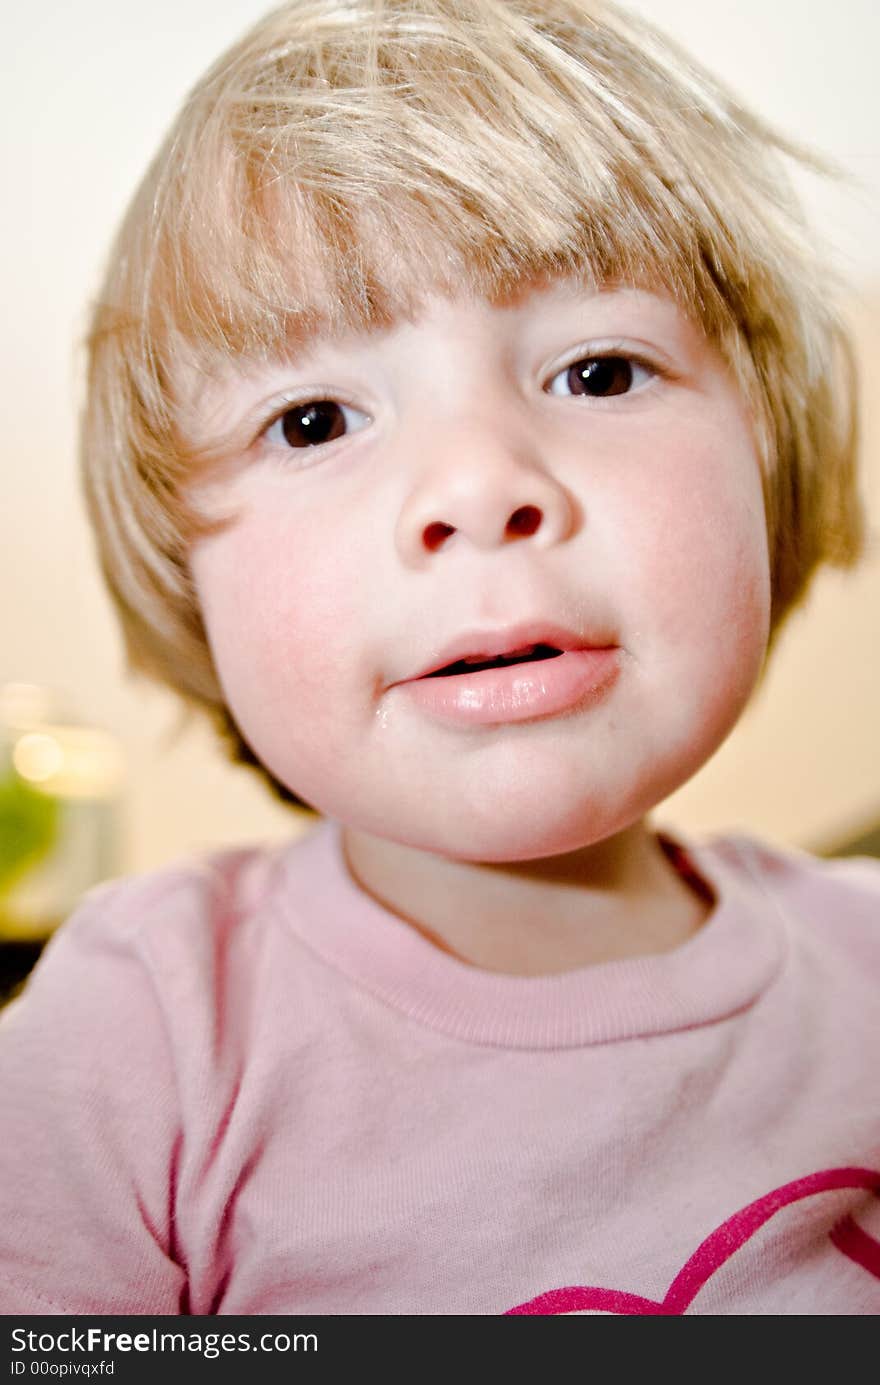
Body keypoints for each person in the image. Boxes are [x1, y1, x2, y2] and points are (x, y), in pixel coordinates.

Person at [1, 0, 878, 1316]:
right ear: (186, 570)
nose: (477, 485)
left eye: (598, 372)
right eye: (310, 418)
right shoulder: (141, 1029)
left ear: (772, 455)